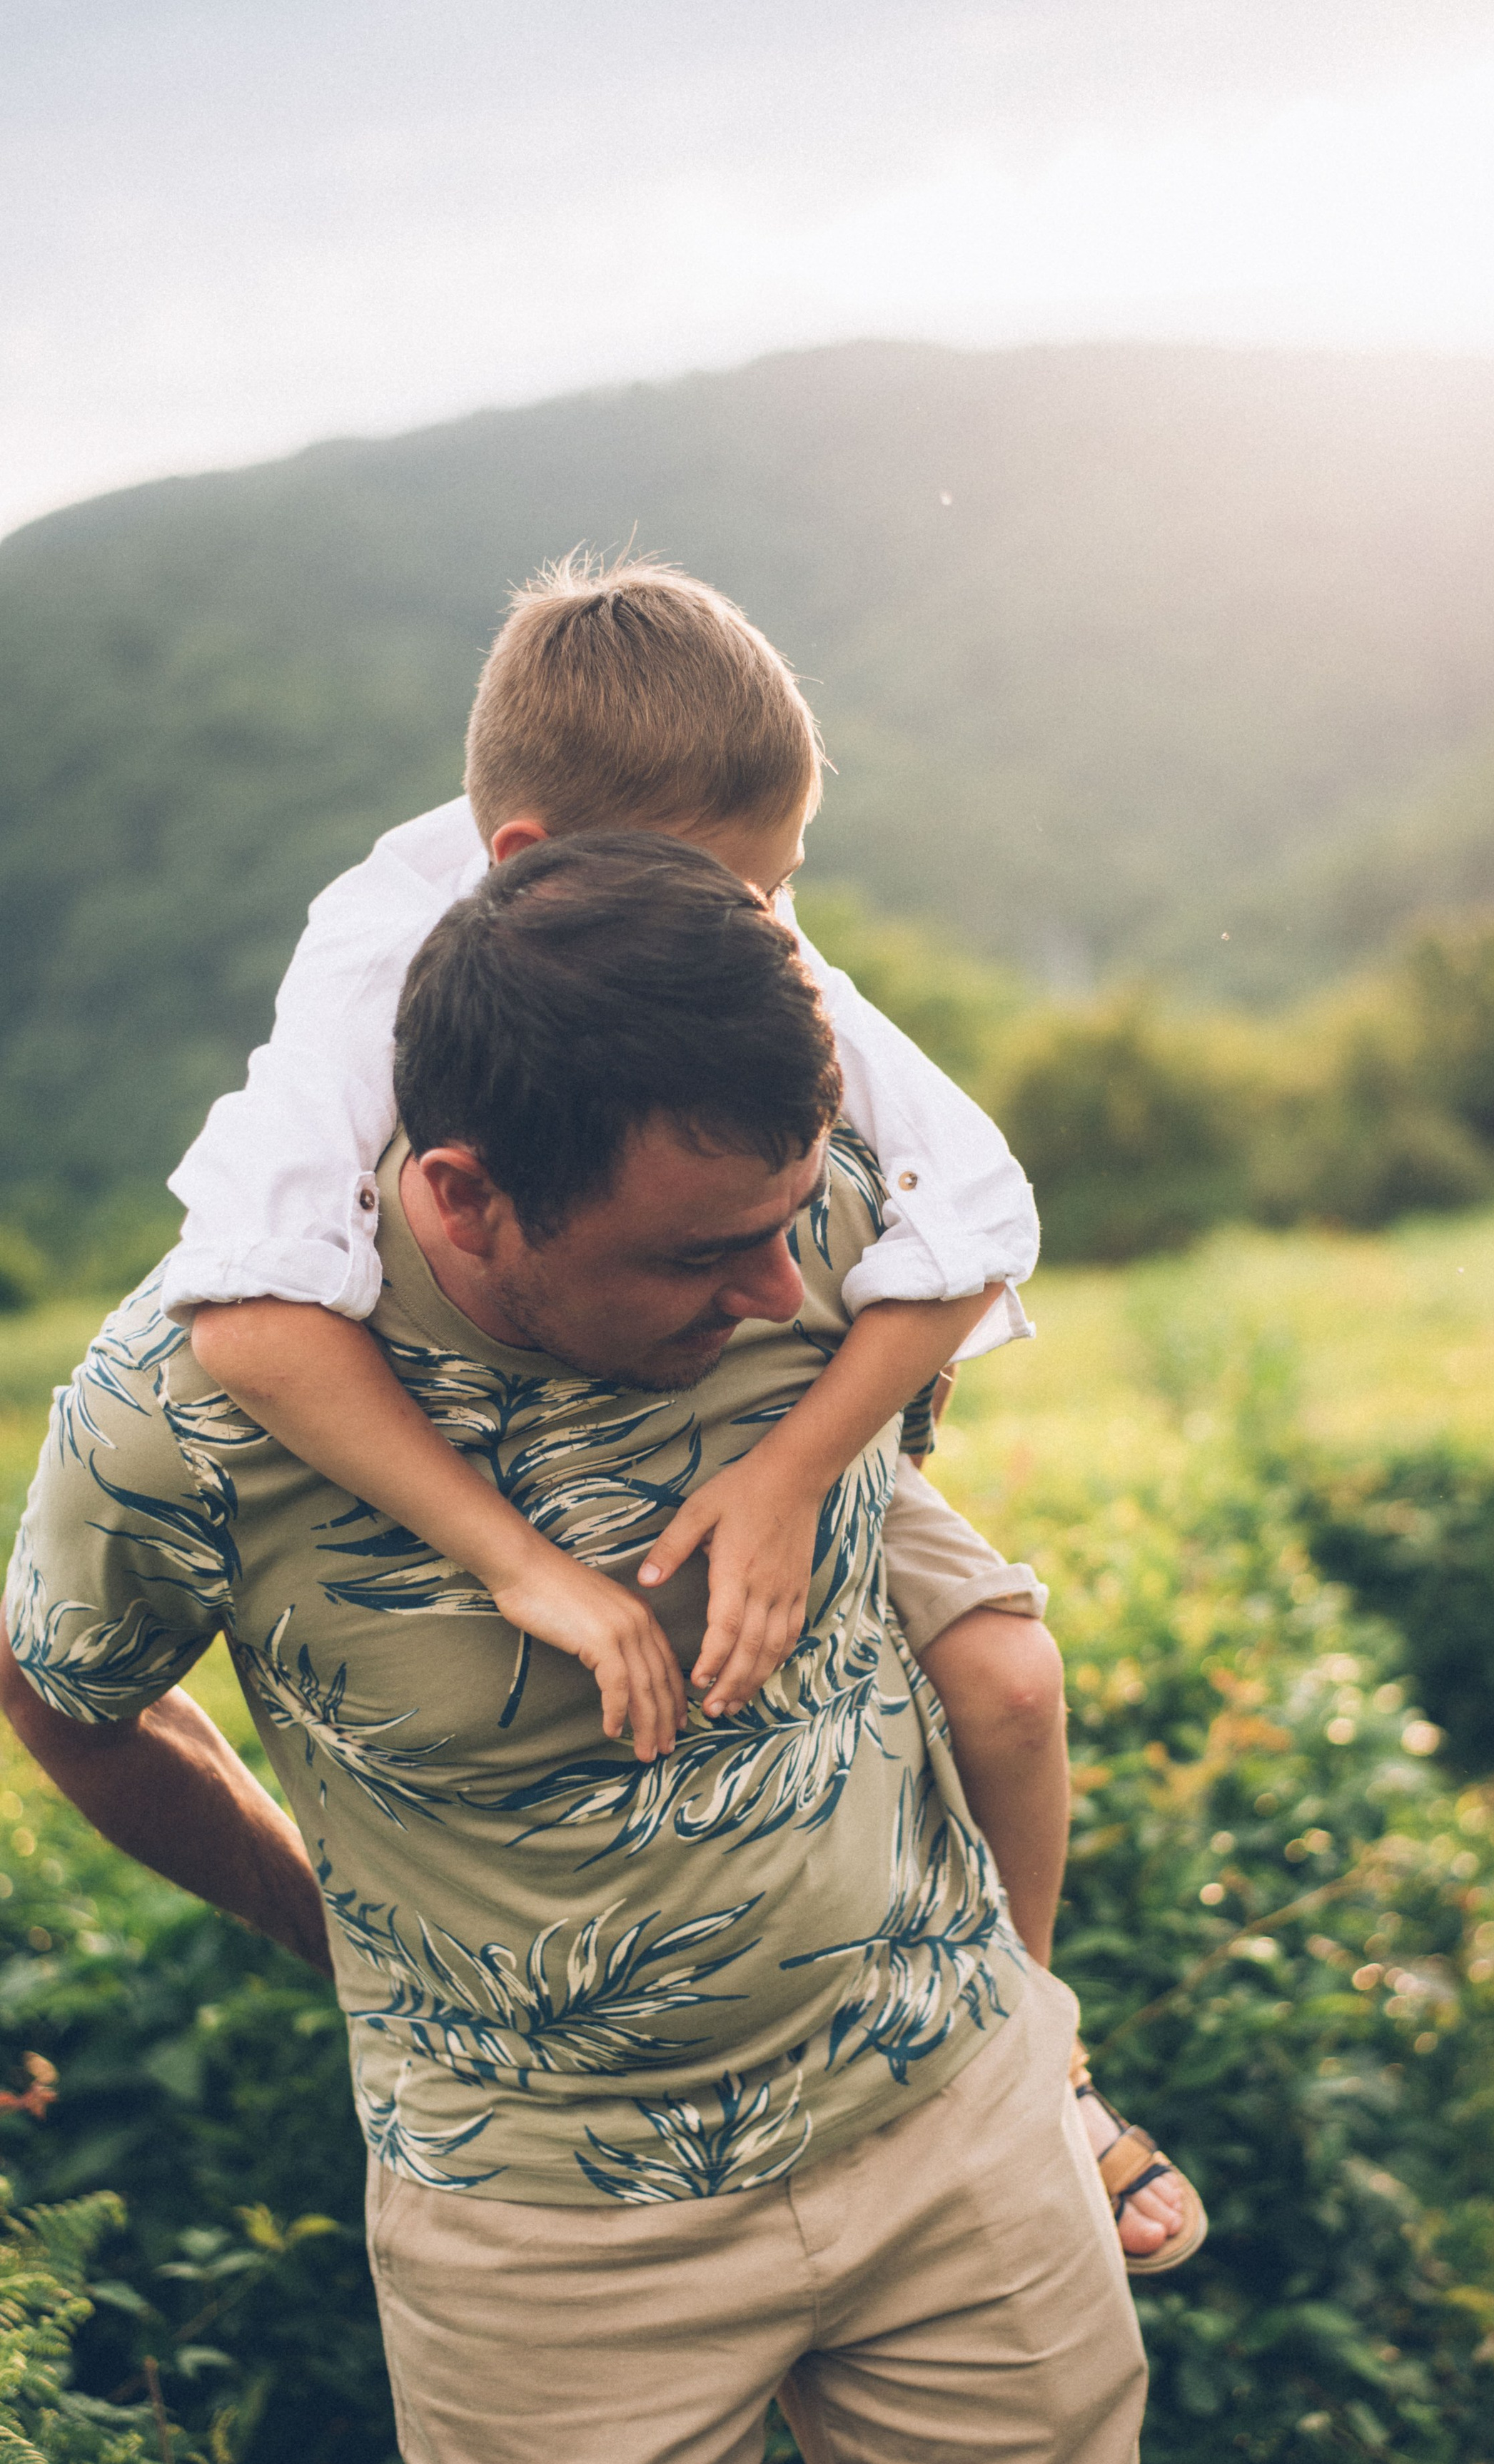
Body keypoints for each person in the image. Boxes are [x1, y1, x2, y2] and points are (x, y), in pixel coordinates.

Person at [1, 833, 1183, 2464]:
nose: (780, 1288)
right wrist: (325, 1921)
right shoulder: (183, 1410)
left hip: (952, 2122)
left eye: (792, 1219)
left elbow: (900, 1520)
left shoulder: (834, 1232)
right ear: (466, 1196)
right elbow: (68, 1695)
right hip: (545, 2235)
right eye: (699, 1255)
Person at [161, 553, 1203, 2272]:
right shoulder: (376, 961)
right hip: (497, 1435)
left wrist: (795, 1473)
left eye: (782, 890)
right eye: (746, 892)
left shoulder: (730, 928)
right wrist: (514, 1563)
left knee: (1009, 1678)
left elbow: (976, 1209)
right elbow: (250, 1307)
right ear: (532, 862)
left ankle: (1032, 2052)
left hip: (761, 1395)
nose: (771, 935)